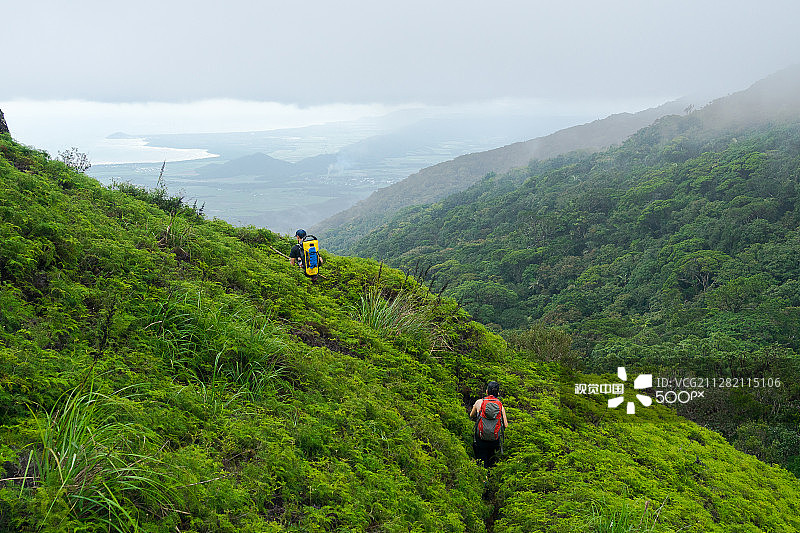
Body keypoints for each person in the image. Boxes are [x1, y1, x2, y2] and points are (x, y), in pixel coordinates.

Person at [470, 381, 508, 468]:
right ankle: (491, 475)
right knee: (492, 462)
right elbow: (505, 425)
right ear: (498, 393)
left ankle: (482, 475)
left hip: (480, 438)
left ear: (487, 391)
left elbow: (471, 415)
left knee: (481, 462)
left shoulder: (479, 402)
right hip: (494, 439)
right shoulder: (500, 405)